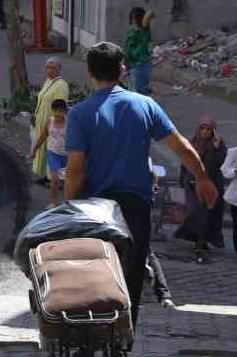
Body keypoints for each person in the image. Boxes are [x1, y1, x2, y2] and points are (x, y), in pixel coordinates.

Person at [64, 41, 221, 331]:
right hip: (135, 205)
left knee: (93, 269)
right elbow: (181, 147)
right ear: (122, 69)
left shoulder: (79, 114)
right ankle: (125, 340)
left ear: (89, 73)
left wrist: (66, 208)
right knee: (134, 271)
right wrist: (202, 177)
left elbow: (74, 171)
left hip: (95, 207)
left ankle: (90, 331)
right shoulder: (145, 105)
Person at [183, 117, 228, 262]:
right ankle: (197, 239)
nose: (205, 132)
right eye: (203, 128)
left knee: (208, 214)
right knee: (195, 212)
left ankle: (201, 242)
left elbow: (221, 163)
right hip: (192, 183)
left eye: (208, 129)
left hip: (212, 185)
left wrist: (216, 149)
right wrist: (183, 179)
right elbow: (184, 162)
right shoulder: (192, 143)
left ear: (213, 131)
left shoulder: (219, 144)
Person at [30, 57, 71, 187]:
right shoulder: (48, 81)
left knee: (53, 150)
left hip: (52, 122)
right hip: (41, 119)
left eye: (53, 67)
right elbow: (41, 99)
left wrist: (55, 123)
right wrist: (35, 113)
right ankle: (48, 176)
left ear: (58, 69)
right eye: (47, 67)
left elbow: (60, 106)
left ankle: (56, 180)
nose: (49, 70)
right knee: (45, 149)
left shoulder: (62, 85)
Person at [29, 96, 70, 208]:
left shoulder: (70, 124)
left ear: (65, 112)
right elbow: (42, 137)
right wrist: (34, 150)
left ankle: (68, 202)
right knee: (55, 178)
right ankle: (53, 202)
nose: (58, 114)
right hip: (53, 154)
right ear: (52, 111)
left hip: (67, 156)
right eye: (55, 111)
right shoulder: (49, 123)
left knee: (68, 180)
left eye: (61, 111)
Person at [125, 6, 155, 95]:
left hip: (140, 65)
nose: (134, 20)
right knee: (137, 91)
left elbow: (150, 13)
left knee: (138, 93)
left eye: (136, 18)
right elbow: (128, 48)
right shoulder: (131, 30)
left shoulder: (144, 29)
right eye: (132, 18)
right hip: (136, 64)